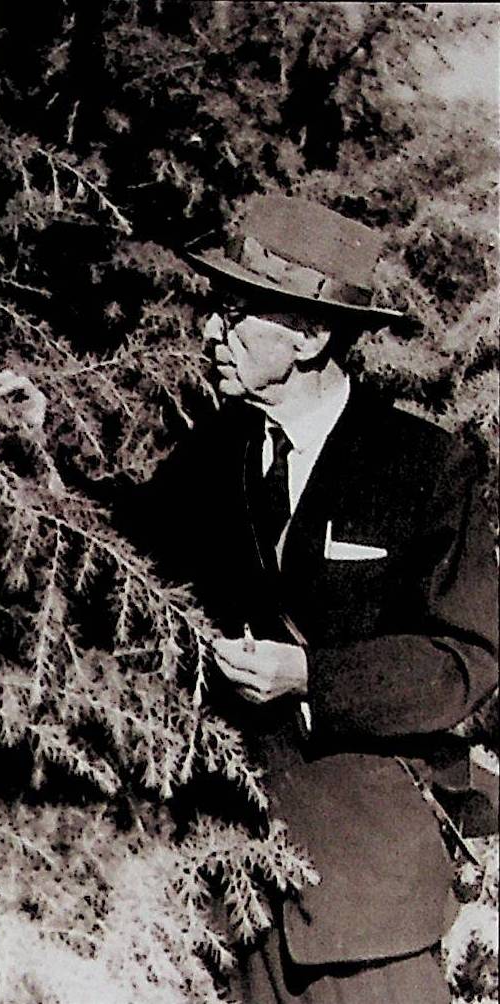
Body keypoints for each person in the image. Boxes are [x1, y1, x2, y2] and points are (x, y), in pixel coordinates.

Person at [77, 193, 499, 1002]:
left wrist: (312, 677)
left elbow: (464, 661)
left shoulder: (423, 466)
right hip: (238, 890)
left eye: (238, 313)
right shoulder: (212, 454)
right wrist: (39, 449)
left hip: (367, 902)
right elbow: (122, 555)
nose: (211, 330)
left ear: (311, 335)